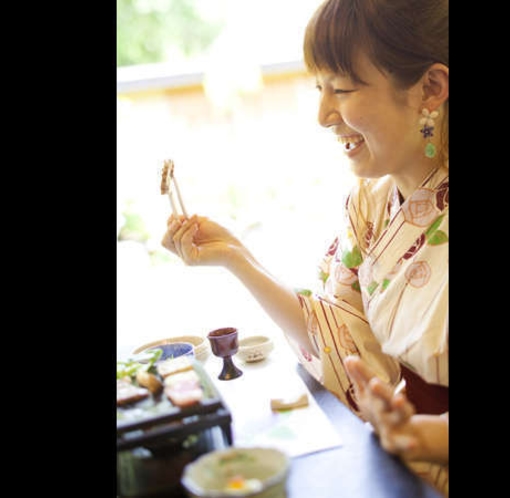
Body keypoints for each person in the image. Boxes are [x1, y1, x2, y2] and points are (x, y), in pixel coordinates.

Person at [162, 0, 448, 495]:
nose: (322, 114)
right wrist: (237, 258)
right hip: (404, 461)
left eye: (342, 88)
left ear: (431, 88)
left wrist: (425, 436)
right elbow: (339, 339)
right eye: (319, 88)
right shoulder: (370, 203)